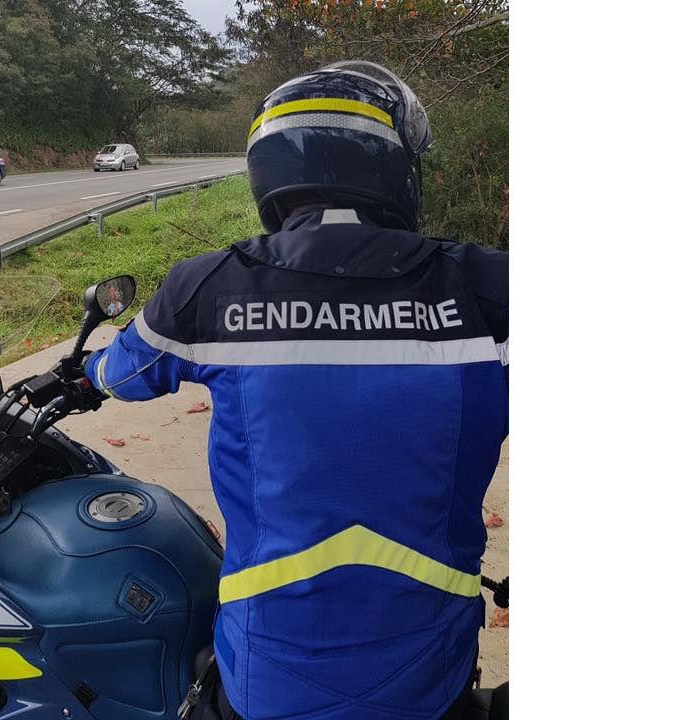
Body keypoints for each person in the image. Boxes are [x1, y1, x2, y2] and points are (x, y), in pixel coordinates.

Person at [84, 61, 508, 719]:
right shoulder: (488, 291)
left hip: (268, 677)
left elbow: (118, 377)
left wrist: (80, 373)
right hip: (433, 678)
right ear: (395, 167)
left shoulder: (210, 289)